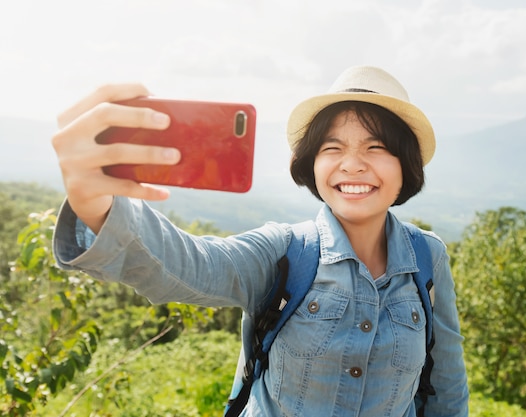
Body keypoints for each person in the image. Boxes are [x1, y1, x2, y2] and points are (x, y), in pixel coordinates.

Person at [52, 65, 469, 416]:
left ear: (405, 165)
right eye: (332, 146)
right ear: (312, 163)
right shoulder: (286, 253)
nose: (353, 164)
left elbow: (445, 383)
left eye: (376, 146)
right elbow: (190, 265)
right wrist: (96, 205)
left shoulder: (427, 257)